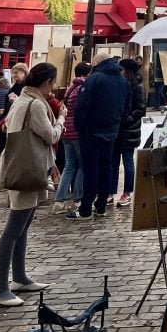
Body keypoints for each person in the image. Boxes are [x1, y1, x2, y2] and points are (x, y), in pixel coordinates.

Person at [0, 62, 66, 307]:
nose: (53, 88)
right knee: (14, 228)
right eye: (52, 83)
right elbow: (52, 136)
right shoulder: (34, 104)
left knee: (22, 226)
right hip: (27, 170)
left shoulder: (23, 100)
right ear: (46, 83)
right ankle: (1, 289)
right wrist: (61, 118)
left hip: (24, 168)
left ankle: (19, 277)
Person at [68, 55, 130, 222]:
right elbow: (127, 107)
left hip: (92, 131)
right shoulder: (123, 81)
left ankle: (86, 208)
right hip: (112, 130)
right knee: (106, 168)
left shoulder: (94, 79)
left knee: (91, 170)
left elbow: (82, 107)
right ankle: (101, 206)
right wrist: (117, 124)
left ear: (96, 63)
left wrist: (82, 128)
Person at [53, 61, 92, 214]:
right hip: (78, 132)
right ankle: (77, 198)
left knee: (69, 166)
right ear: (86, 74)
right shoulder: (83, 88)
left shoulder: (71, 88)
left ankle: (59, 200)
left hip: (66, 131)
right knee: (82, 166)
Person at [109, 58, 146, 208]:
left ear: (128, 71)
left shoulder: (138, 87)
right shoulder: (119, 85)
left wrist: (127, 120)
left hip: (129, 130)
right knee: (113, 163)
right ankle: (110, 192)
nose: (120, 72)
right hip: (117, 129)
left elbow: (141, 108)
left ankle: (127, 192)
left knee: (128, 161)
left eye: (122, 70)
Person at [0, 62, 28, 159]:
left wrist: (17, 100)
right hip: (9, 116)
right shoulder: (15, 86)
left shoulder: (26, 87)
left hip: (17, 118)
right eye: (13, 73)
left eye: (16, 73)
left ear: (24, 73)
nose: (14, 75)